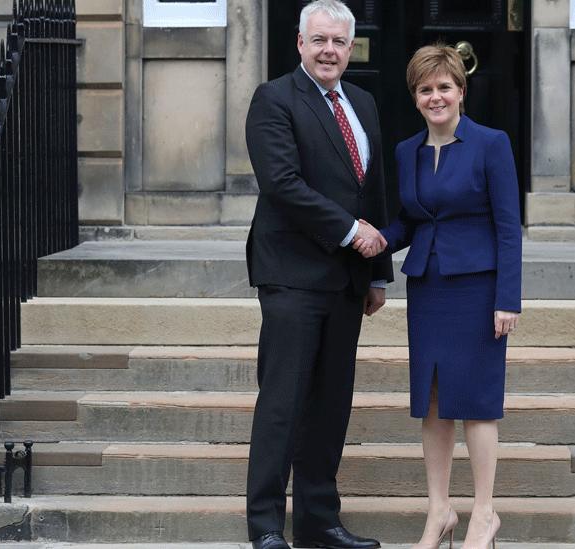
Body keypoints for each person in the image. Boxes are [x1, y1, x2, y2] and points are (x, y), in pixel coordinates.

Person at [353, 44, 521, 549]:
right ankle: (439, 511)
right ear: (416, 97)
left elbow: (508, 227)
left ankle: (484, 514)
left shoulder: (491, 144)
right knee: (432, 403)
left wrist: (507, 299)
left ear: (461, 92)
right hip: (428, 288)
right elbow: (411, 220)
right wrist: (381, 238)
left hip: (478, 288)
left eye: (444, 87)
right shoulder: (407, 151)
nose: (435, 97)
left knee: (477, 403)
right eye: (425, 89)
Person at [243, 1, 393, 548]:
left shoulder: (364, 103)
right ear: (301, 44)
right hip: (291, 275)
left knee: (331, 406)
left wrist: (377, 273)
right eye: (319, 40)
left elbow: (371, 188)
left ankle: (317, 520)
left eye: (339, 42)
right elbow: (282, 183)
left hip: (347, 281)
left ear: (351, 48)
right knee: (283, 402)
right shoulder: (274, 99)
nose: (329, 50)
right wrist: (353, 232)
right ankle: (264, 526)